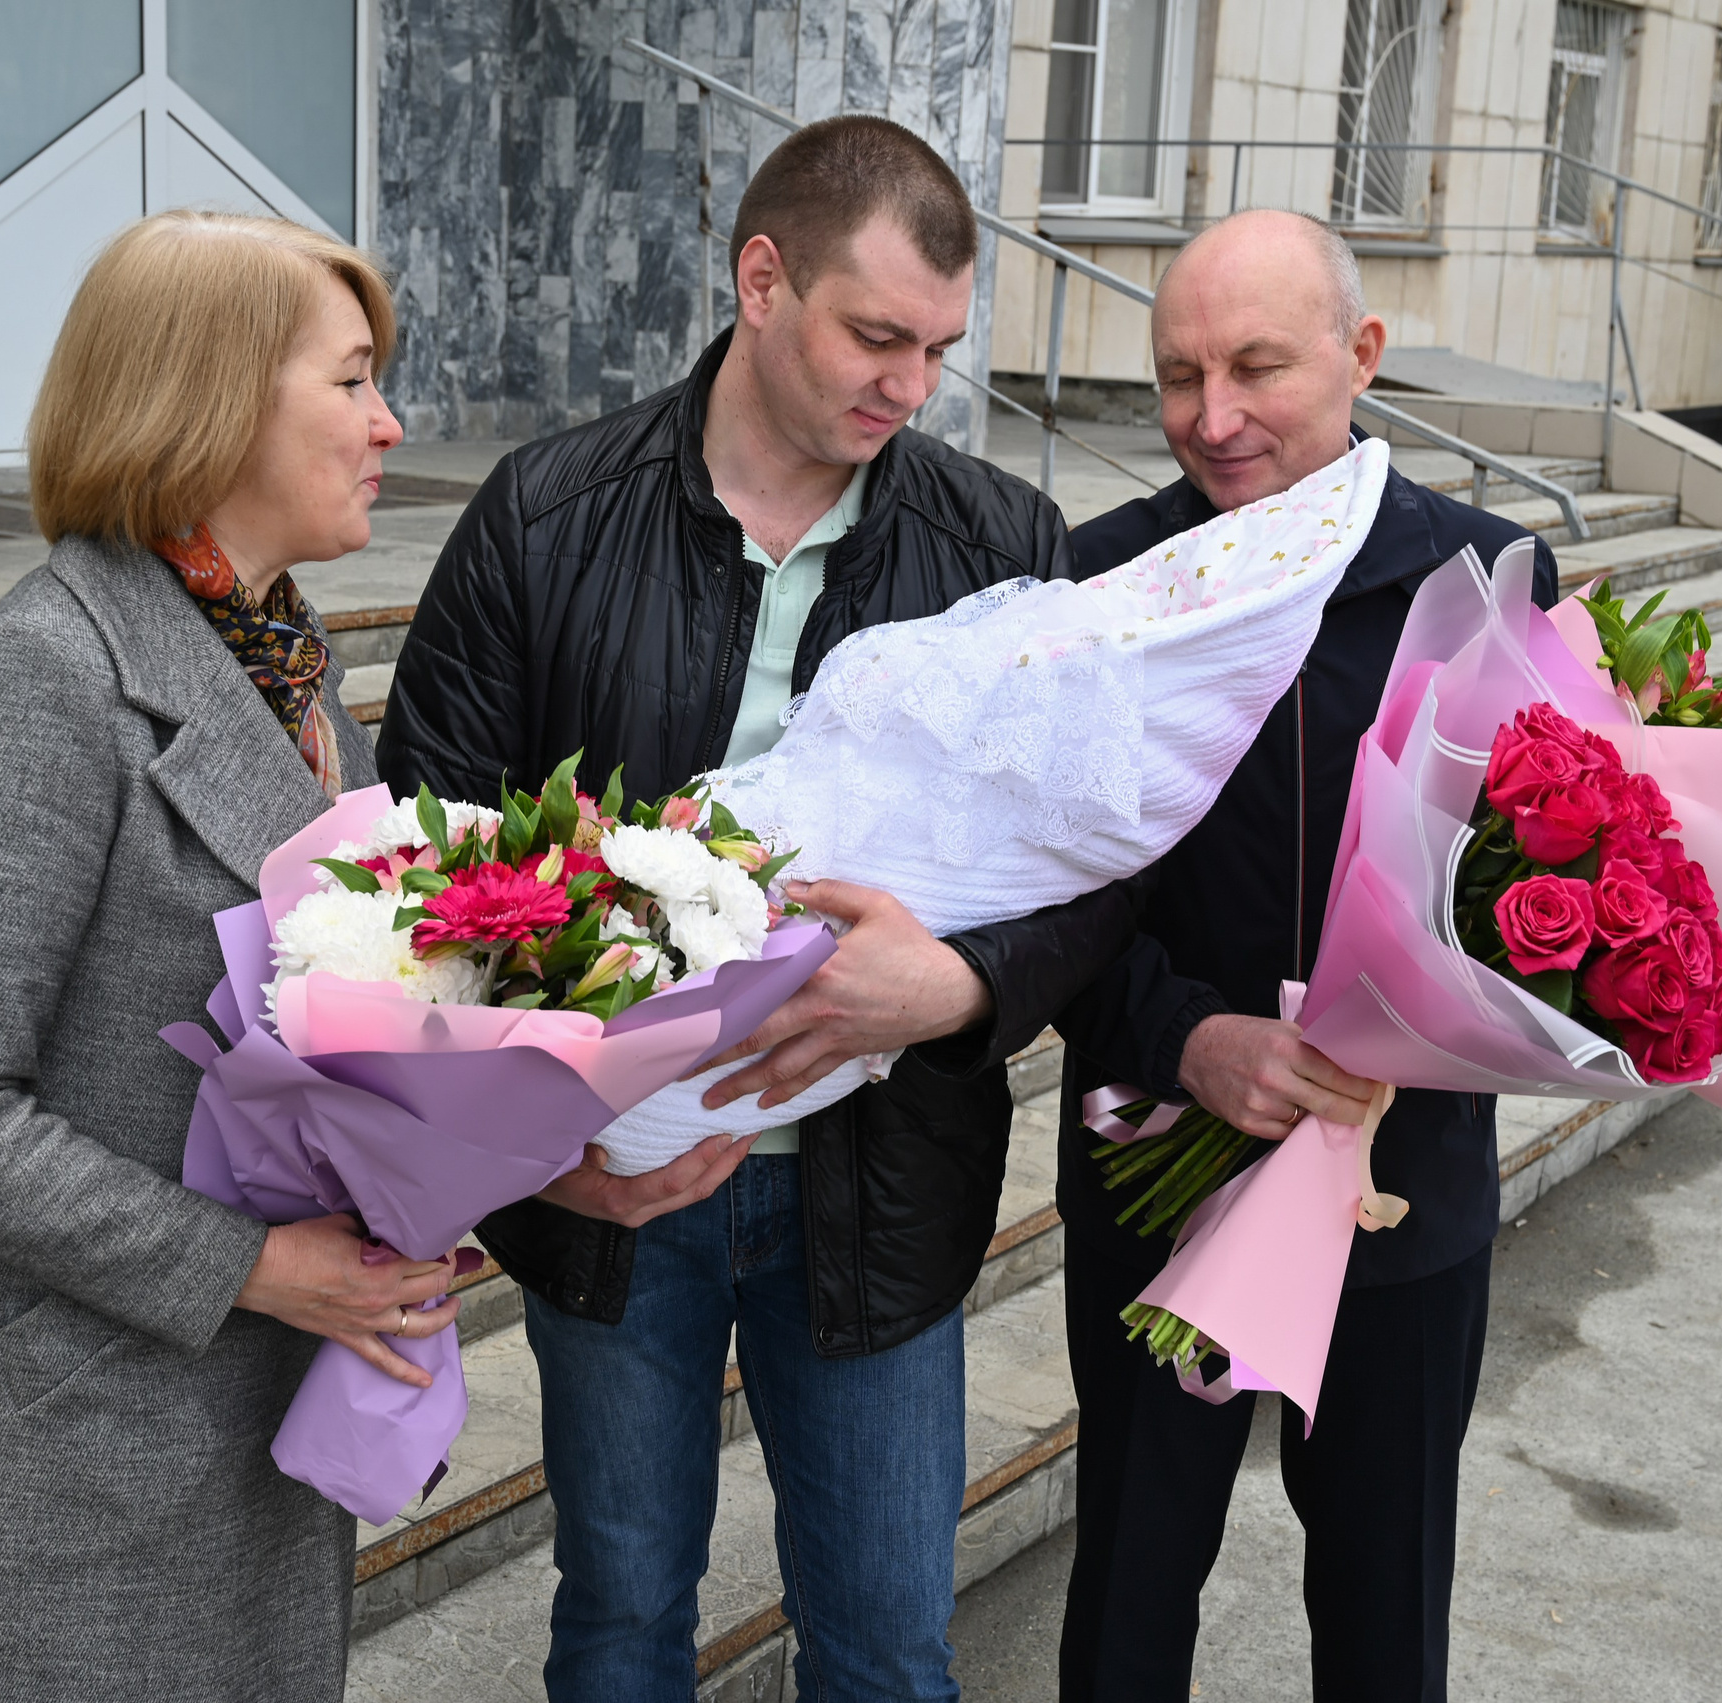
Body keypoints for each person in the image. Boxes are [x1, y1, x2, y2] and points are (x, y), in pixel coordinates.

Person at [375, 116, 1126, 1700]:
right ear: (761, 280)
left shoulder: (1004, 545)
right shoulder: (542, 515)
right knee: (623, 1619)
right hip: (616, 1202)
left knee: (883, 1648)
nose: (908, 387)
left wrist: (968, 986)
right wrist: (532, 1152)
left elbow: (1096, 879)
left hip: (881, 1189)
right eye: (875, 336)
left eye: (936, 349)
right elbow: (421, 861)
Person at [0, 213, 462, 1701]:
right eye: (352, 382)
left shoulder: (290, 671)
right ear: (210, 399)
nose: (389, 424)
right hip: (70, 1441)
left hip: (246, 1409)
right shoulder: (40, 683)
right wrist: (254, 1266)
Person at [1053, 208, 1560, 1702]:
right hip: (1160, 1171)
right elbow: (1044, 895)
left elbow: (1561, 876)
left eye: (1257, 367)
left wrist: (1469, 1020)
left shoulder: (1485, 581)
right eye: (1177, 374)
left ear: (1363, 354)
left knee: (1387, 1607)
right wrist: (1178, 1034)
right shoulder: (1100, 582)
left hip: (1401, 1196)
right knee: (1131, 1598)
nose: (1213, 418)